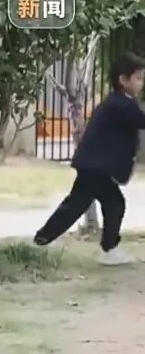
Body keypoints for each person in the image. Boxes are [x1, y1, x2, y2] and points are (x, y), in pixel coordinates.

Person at [34, 52, 145, 265]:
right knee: (84, 205)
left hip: (95, 166)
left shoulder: (118, 102)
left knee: (105, 204)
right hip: (97, 167)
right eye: (138, 78)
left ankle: (45, 240)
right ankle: (44, 240)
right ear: (123, 80)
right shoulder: (121, 104)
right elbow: (141, 120)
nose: (142, 83)